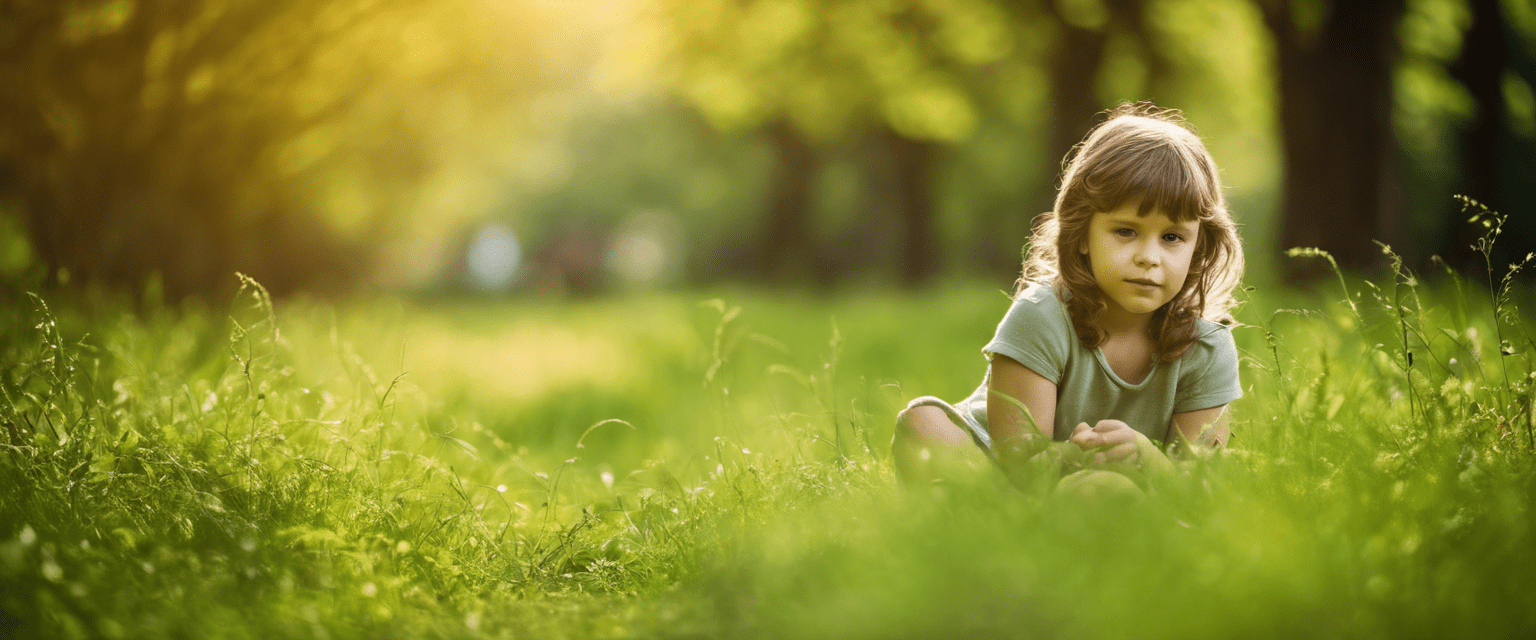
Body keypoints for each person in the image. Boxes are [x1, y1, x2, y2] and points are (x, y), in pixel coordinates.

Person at [893, 103, 1245, 488]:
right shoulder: (1041, 317)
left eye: (1172, 237)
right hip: (1000, 468)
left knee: (1105, 491)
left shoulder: (1208, 348)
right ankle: (991, 522)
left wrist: (1145, 458)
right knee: (922, 422)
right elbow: (1019, 462)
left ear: (1200, 247)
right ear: (1081, 236)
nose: (1149, 257)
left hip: (1117, 485)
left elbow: (1200, 485)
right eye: (1125, 231)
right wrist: (1082, 458)